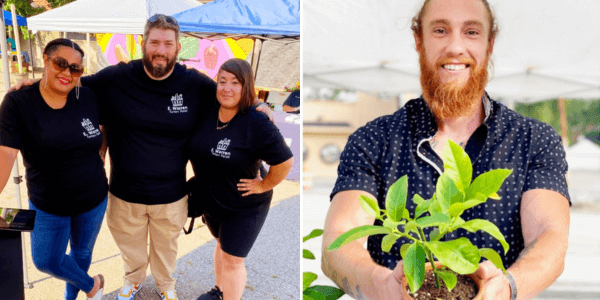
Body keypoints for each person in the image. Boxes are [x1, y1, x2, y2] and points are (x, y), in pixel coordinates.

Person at [11, 14, 273, 300]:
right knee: (130, 246)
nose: (160, 50)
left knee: (166, 249)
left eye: (167, 43)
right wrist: (37, 83)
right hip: (125, 194)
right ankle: (133, 280)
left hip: (172, 194)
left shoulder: (194, 84)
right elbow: (71, 79)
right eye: (155, 42)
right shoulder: (117, 77)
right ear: (143, 43)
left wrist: (259, 103)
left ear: (177, 47)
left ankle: (165, 286)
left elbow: (230, 94)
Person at [321, 0, 571, 299]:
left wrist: (506, 287)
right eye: (440, 30)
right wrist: (380, 283)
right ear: (419, 41)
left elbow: (550, 235)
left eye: (471, 32)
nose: (455, 47)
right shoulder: (374, 140)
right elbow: (338, 239)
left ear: (489, 43)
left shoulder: (534, 140)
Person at [0, 38, 108, 300]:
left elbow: (103, 129)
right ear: (46, 61)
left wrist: (101, 157)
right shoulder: (18, 102)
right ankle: (93, 285)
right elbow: (5, 154)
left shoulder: (89, 97)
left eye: (75, 68)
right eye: (61, 63)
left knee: (81, 253)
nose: (67, 73)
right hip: (47, 203)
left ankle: (70, 298)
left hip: (93, 199)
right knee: (46, 260)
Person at [190, 58, 293, 300]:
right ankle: (219, 290)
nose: (227, 88)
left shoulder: (256, 120)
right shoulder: (208, 111)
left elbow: (285, 162)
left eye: (235, 83)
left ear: (246, 87)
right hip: (213, 200)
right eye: (222, 81)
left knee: (233, 261)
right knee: (221, 245)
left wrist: (263, 185)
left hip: (244, 206)